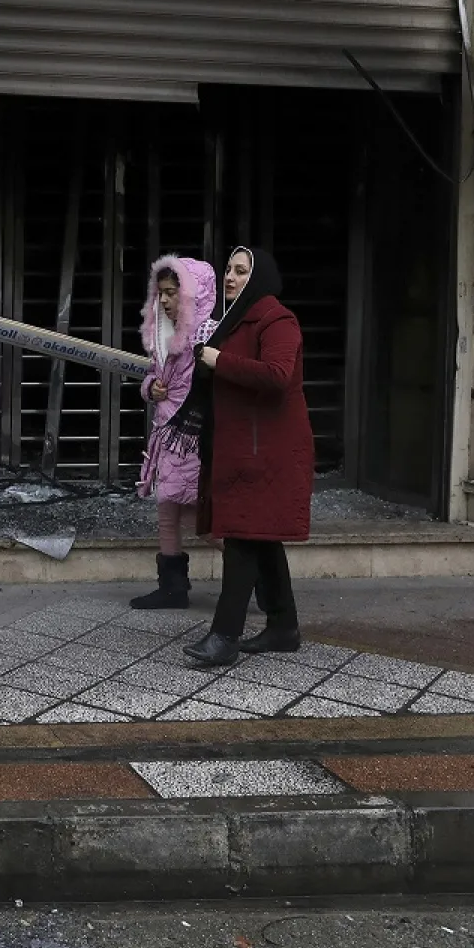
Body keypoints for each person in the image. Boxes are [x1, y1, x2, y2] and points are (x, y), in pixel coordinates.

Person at [164, 247, 314, 667]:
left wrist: (219, 360)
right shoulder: (235, 320)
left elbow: (278, 376)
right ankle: (284, 626)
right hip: (242, 449)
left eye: (241, 271)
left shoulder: (276, 319)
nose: (230, 277)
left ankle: (224, 635)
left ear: (260, 276)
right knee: (261, 538)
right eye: (228, 270)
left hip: (267, 452)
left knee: (243, 537)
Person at [131, 255, 218, 609]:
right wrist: (150, 388)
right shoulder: (163, 335)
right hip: (167, 436)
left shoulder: (208, 337)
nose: (164, 300)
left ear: (192, 295)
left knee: (197, 515)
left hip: (192, 439)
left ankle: (257, 574)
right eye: (161, 293)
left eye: (172, 293)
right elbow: (155, 377)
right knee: (167, 508)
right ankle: (172, 587)